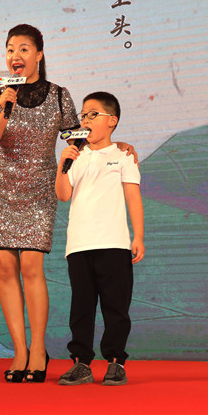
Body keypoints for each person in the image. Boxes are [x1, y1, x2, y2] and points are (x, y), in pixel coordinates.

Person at [0, 25, 137, 383]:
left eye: (23, 48)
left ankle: (38, 350)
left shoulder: (60, 96)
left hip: (40, 188)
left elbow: (80, 138)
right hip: (1, 186)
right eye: (10, 49)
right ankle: (20, 351)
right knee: (6, 268)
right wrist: (5, 111)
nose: (15, 55)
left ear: (39, 54)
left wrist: (120, 144)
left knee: (31, 265)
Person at [54, 91, 145, 386]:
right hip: (79, 245)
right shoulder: (76, 156)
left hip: (114, 245)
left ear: (112, 121)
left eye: (93, 114)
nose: (86, 120)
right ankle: (81, 363)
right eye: (83, 115)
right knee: (81, 308)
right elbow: (63, 195)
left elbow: (133, 197)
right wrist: (63, 163)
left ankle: (116, 363)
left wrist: (138, 236)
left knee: (115, 307)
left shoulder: (123, 156)